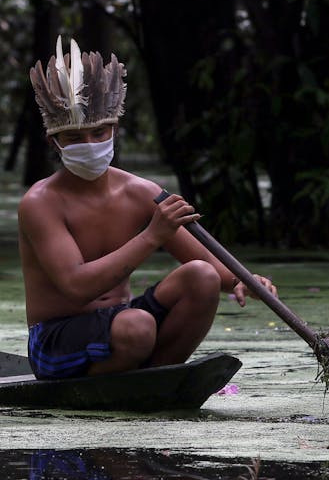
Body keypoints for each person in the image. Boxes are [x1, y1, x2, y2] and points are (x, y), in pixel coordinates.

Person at [19, 37, 277, 380]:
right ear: (55, 142)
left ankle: (153, 377)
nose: (91, 145)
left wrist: (244, 280)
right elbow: (76, 287)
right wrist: (153, 235)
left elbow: (208, 262)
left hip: (121, 324)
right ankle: (111, 383)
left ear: (114, 129)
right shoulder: (40, 203)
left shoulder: (141, 192)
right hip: (57, 341)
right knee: (137, 326)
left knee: (202, 276)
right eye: (75, 138)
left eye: (99, 132)